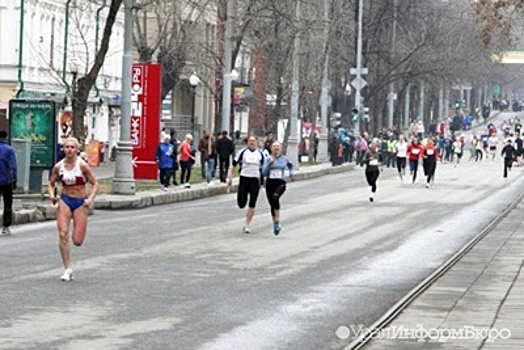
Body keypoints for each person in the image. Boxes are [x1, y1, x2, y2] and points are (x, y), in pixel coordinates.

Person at [48, 137, 98, 281]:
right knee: (63, 234)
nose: (69, 150)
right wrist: (52, 196)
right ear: (63, 149)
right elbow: (51, 183)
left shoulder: (82, 166)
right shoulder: (58, 166)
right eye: (67, 147)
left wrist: (90, 199)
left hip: (80, 202)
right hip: (65, 199)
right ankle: (67, 269)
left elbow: (95, 183)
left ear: (76, 150)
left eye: (72, 147)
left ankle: (69, 267)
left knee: (77, 240)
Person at [228, 135, 265, 234]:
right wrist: (230, 178)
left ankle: (246, 225)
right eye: (250, 141)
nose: (252, 143)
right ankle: (242, 202)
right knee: (241, 203)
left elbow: (265, 167)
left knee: (252, 203)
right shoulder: (242, 152)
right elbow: (233, 165)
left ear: (257, 142)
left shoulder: (260, 154)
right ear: (247, 142)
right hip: (244, 179)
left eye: (254, 141)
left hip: (255, 180)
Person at [262, 142, 294, 236]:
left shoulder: (284, 159)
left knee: (275, 197)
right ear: (271, 148)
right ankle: (275, 223)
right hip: (270, 183)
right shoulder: (268, 159)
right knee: (272, 204)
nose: (276, 148)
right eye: (274, 146)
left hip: (280, 182)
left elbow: (291, 166)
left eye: (278, 147)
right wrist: (269, 164)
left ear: (280, 148)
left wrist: (291, 174)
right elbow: (263, 172)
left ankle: (277, 221)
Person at [0, 130, 17, 236]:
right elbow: (13, 166)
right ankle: (5, 226)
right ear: (6, 138)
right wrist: (14, 179)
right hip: (6, 181)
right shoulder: (9, 150)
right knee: (7, 203)